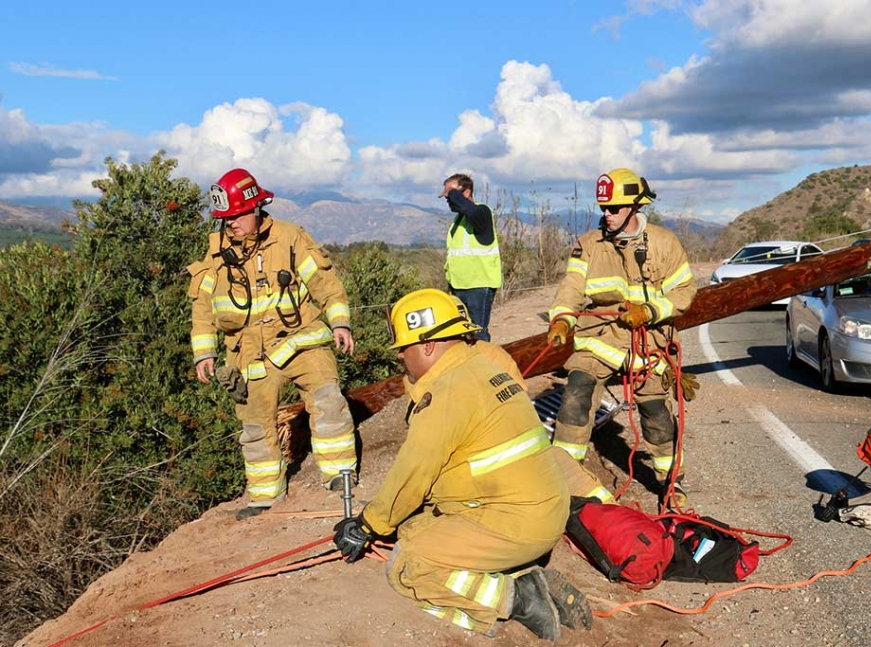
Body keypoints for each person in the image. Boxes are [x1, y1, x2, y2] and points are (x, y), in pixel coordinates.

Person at [334, 288, 590, 641]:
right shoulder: (483, 366)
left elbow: (413, 475)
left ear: (427, 345)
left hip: (514, 523)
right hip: (539, 511)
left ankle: (517, 598)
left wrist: (366, 525)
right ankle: (518, 575)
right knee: (411, 530)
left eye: (403, 350)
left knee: (410, 566)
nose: (401, 361)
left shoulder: (446, 393)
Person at [187, 168, 357, 520]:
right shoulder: (216, 252)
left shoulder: (290, 237)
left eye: (235, 216)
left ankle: (339, 475)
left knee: (328, 399)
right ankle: (265, 495)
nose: (229, 223)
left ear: (255, 209)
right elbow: (202, 306)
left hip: (301, 342)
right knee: (255, 425)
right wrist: (204, 352)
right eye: (224, 217)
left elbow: (326, 283)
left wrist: (340, 322)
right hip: (251, 354)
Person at [546, 168, 697, 507]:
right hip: (600, 339)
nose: (607, 215)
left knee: (656, 415)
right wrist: (561, 320)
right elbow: (571, 288)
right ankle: (564, 478)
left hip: (650, 344)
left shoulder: (664, 243)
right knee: (576, 394)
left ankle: (671, 483)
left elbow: (685, 292)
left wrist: (649, 311)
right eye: (603, 208)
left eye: (614, 208)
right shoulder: (588, 245)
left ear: (635, 207)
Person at [440, 173, 501, 342]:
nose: (449, 200)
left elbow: (470, 210)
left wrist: (453, 193)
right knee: (461, 335)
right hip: (459, 286)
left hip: (479, 285)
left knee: (478, 335)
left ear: (466, 193)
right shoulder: (458, 220)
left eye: (451, 195)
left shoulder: (482, 212)